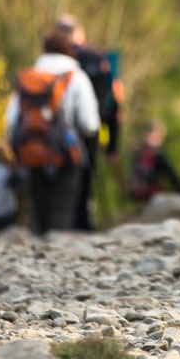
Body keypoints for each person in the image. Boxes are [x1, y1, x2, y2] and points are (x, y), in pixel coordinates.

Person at [4, 32, 100, 235]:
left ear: (43, 50)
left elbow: (11, 120)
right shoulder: (76, 76)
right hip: (66, 152)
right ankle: (58, 256)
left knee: (38, 210)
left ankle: (37, 257)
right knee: (62, 208)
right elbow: (90, 124)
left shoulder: (30, 77)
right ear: (69, 51)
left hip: (30, 151)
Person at [53, 13, 121, 231]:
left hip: (61, 128)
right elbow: (114, 102)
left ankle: (65, 225)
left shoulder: (61, 61)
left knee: (64, 177)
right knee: (86, 179)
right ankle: (85, 225)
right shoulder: (99, 58)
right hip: (94, 127)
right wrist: (112, 144)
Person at [130, 119, 180, 203]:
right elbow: (172, 177)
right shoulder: (152, 155)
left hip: (145, 194)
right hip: (149, 194)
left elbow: (172, 177)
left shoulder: (142, 153)